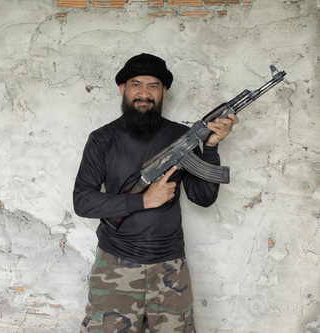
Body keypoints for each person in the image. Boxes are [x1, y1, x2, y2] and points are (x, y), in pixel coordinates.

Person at [73, 53, 239, 332]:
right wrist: (143, 200)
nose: (144, 93)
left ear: (164, 92)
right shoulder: (102, 139)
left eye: (153, 86)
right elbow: (83, 201)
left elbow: (204, 198)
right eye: (136, 84)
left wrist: (210, 148)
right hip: (115, 264)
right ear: (122, 89)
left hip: (170, 266)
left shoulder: (181, 138)